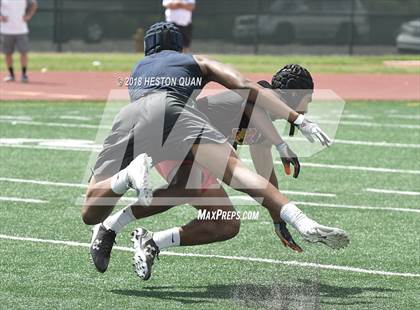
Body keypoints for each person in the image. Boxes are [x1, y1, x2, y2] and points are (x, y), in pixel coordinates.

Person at [83, 22, 349, 280]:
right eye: (308, 98)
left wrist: (277, 217)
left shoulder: (143, 69)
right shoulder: (236, 88)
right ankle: (114, 225)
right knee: (203, 183)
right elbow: (249, 95)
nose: (309, 105)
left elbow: (265, 174)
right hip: (180, 131)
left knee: (225, 222)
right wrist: (293, 127)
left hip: (151, 127)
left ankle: (144, 234)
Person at [0, 0, 37, 83]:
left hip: (21, 30)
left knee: (24, 52)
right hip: (6, 30)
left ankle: (24, 75)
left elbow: (34, 4)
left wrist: (28, 15)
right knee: (8, 53)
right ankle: (11, 74)